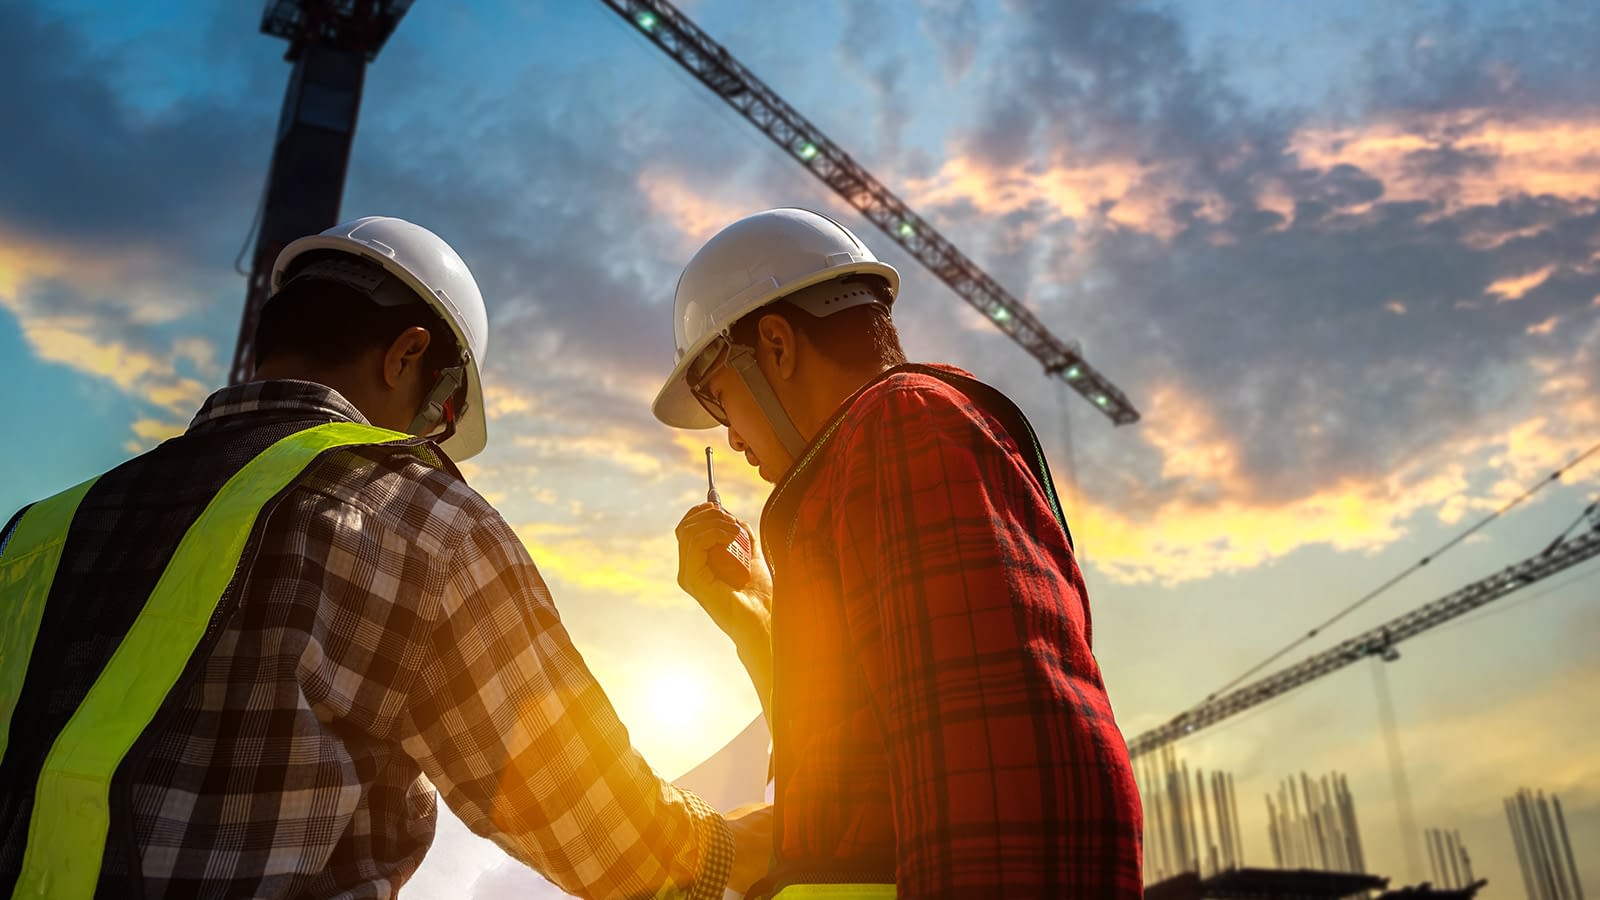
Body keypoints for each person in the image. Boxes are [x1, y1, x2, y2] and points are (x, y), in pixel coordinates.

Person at [0, 216, 768, 898]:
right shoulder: (417, 524)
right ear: (407, 355)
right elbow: (596, 826)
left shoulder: (38, 532)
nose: (431, 436)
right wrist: (728, 850)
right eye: (444, 411)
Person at [656, 208, 1143, 897]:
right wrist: (758, 620)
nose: (729, 436)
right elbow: (854, 783)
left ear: (775, 345)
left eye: (716, 396)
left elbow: (998, 776)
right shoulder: (865, 462)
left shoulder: (902, 431)